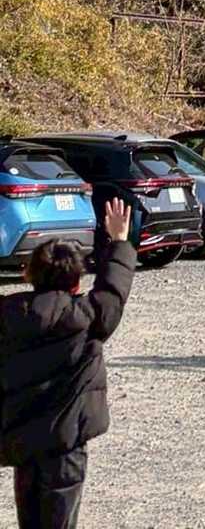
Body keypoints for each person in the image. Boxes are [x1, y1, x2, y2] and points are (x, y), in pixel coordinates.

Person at [0, 197, 135, 528]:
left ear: (29, 274)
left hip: (22, 445)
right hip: (65, 446)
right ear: (76, 282)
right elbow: (113, 288)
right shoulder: (87, 318)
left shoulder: (8, 317)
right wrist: (119, 241)